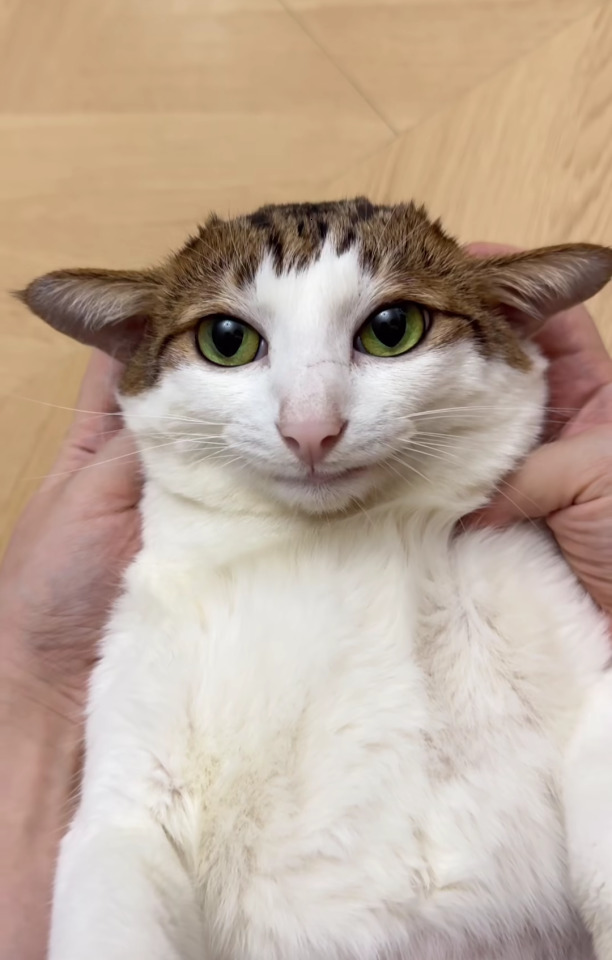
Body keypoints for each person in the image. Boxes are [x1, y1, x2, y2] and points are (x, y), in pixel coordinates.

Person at [1, 244, 611, 960]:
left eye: (390, 330)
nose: (310, 422)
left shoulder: (520, 560)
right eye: (228, 340)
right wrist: (31, 668)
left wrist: (28, 678)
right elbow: (132, 840)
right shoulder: (176, 594)